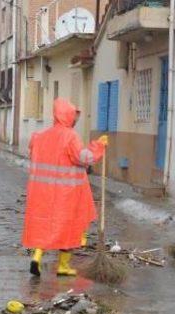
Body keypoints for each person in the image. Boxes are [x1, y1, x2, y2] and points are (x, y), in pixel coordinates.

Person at [22, 98, 108, 276]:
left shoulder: (41, 136)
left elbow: (34, 153)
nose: (75, 119)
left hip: (43, 193)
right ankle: (63, 265)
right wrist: (99, 146)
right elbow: (84, 158)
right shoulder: (70, 136)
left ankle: (37, 257)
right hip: (67, 194)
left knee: (45, 226)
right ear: (68, 116)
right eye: (73, 115)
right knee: (69, 227)